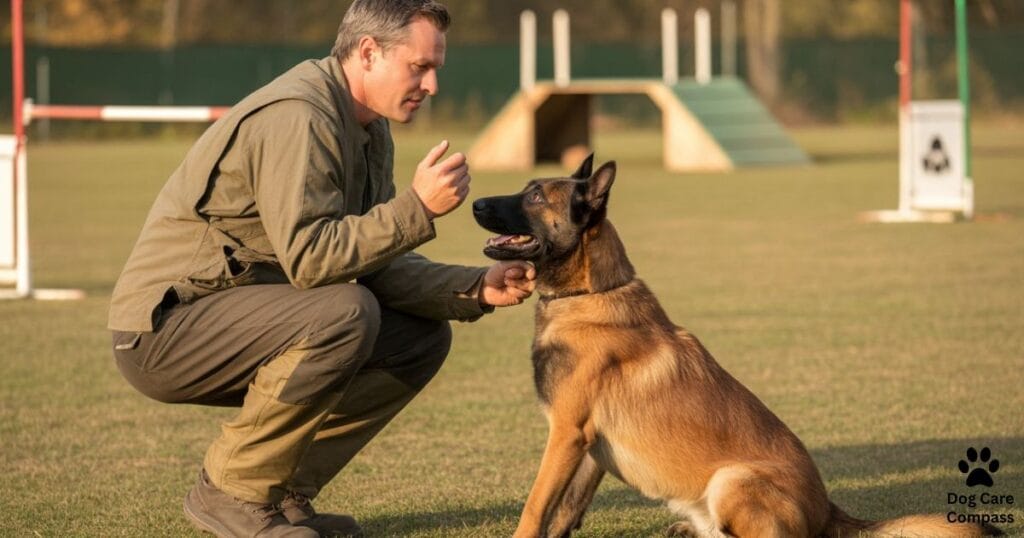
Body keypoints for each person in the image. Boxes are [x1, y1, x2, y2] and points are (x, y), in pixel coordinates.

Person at [107, 1, 535, 536]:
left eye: (435, 70)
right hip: (165, 331)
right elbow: (313, 259)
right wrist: (416, 208)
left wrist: (474, 286)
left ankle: (278, 492)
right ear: (368, 52)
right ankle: (233, 491)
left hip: (248, 318)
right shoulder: (300, 115)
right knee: (344, 311)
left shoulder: (367, 128)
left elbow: (375, 262)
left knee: (417, 337)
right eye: (419, 67)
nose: (431, 86)